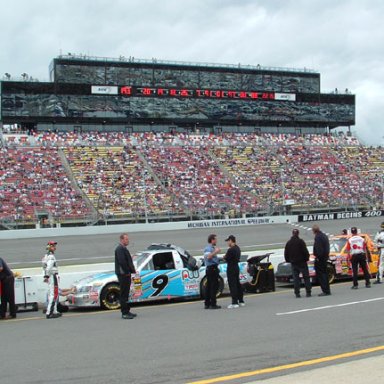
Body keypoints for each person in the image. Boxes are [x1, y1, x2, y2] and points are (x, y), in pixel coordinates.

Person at [115, 233, 137, 319]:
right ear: (122, 240)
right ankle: (124, 312)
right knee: (123, 294)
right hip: (123, 274)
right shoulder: (120, 249)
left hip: (126, 274)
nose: (128, 240)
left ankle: (127, 310)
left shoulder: (123, 249)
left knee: (126, 293)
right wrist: (127, 271)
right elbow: (122, 262)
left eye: (128, 239)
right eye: (126, 239)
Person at [284, 229, 312, 298]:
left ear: (292, 234)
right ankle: (308, 292)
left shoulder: (289, 243)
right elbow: (305, 251)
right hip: (302, 262)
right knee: (306, 277)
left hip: (294, 263)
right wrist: (307, 259)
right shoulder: (301, 242)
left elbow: (286, 253)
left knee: (296, 278)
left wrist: (289, 260)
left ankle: (297, 293)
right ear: (298, 234)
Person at [223, 235, 244, 308]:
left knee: (232, 285)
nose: (227, 243)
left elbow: (226, 258)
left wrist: (224, 257)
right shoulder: (238, 248)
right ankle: (241, 300)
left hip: (231, 267)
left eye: (228, 241)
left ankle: (234, 302)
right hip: (236, 267)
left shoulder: (231, 249)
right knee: (237, 284)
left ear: (231, 240)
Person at [42, 240, 62, 319]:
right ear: (49, 247)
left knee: (53, 294)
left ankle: (54, 311)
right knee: (53, 294)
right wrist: (46, 276)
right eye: (53, 246)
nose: (54, 247)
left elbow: (44, 267)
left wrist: (45, 276)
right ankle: (49, 312)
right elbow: (49, 267)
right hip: (52, 275)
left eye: (54, 246)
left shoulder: (45, 256)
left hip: (50, 276)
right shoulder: (51, 256)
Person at [312, 224, 331, 296]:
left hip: (320, 259)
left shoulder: (318, 237)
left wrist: (318, 257)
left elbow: (319, 249)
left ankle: (325, 290)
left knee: (321, 275)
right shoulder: (324, 235)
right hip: (325, 257)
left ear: (313, 231)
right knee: (325, 274)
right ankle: (327, 289)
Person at [203, 234, 221, 309]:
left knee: (209, 286)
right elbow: (208, 257)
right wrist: (216, 252)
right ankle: (213, 304)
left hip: (212, 268)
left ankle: (207, 303)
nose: (216, 241)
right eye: (215, 239)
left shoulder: (211, 248)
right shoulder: (208, 248)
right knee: (214, 286)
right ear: (212, 240)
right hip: (212, 269)